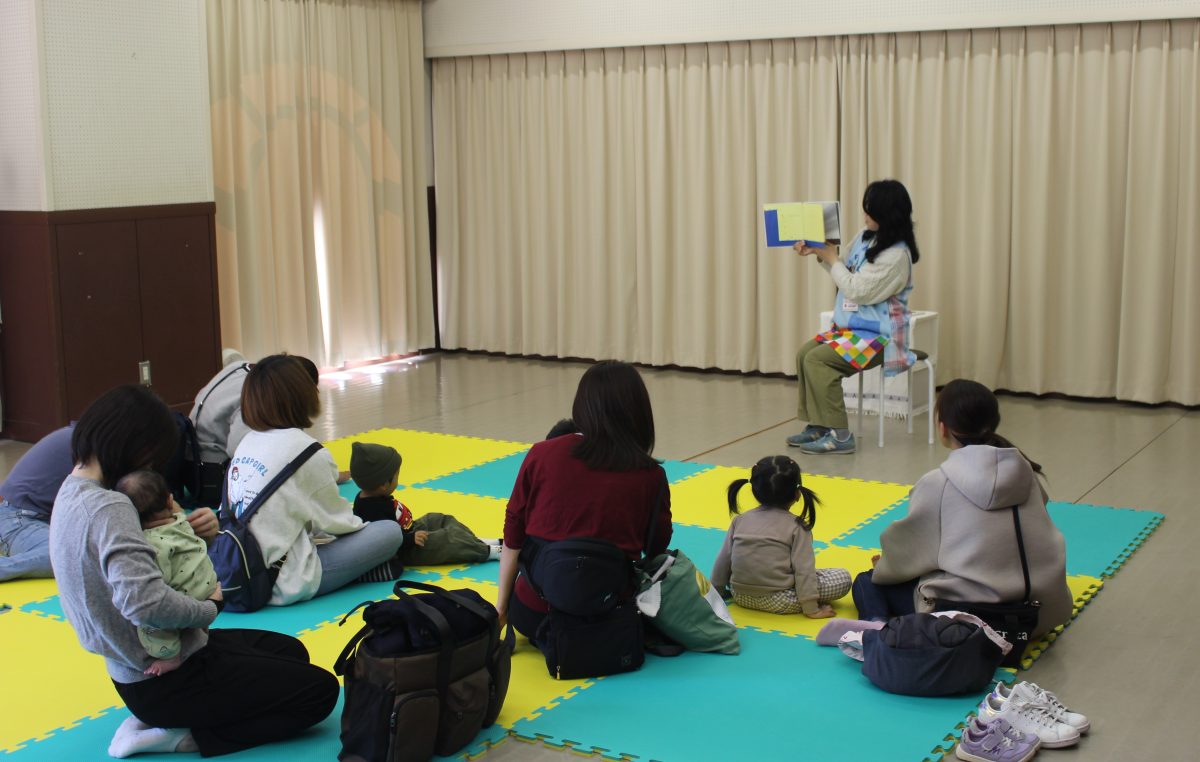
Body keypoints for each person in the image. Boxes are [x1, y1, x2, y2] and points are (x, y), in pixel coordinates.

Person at [48, 384, 338, 758]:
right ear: (133, 446)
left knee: (291, 651)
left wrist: (185, 528)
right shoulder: (111, 509)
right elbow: (144, 602)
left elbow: (145, 564)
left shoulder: (73, 492)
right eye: (151, 459)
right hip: (167, 677)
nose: (151, 470)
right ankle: (184, 737)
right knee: (319, 693)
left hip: (144, 667)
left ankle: (163, 719)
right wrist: (209, 609)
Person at [851, 379, 1072, 639]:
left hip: (976, 623)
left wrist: (886, 565)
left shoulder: (938, 483)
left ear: (943, 427)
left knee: (868, 581)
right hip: (1041, 613)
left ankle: (878, 634)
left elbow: (910, 547)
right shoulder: (1026, 472)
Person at [497, 361, 673, 639]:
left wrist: (502, 607)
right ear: (639, 412)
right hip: (609, 617)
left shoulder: (542, 454)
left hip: (533, 613)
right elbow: (656, 547)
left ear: (582, 405)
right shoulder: (651, 475)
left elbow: (513, 534)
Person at [227, 354, 404, 605]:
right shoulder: (307, 451)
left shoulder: (247, 442)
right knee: (390, 532)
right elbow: (341, 523)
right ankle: (360, 573)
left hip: (238, 571)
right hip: (283, 581)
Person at [787, 179, 921, 455]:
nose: (865, 215)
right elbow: (845, 269)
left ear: (887, 215)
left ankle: (840, 434)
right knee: (804, 354)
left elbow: (857, 291)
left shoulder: (897, 256)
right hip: (854, 331)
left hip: (882, 338)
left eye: (870, 211)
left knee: (818, 361)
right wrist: (820, 252)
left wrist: (831, 258)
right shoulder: (866, 236)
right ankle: (820, 425)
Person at [1, 424, 217, 582]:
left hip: (54, 519)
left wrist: (188, 524)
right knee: (71, 556)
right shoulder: (101, 456)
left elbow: (160, 506)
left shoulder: (108, 446)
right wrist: (183, 527)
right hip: (18, 519)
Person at [711, 455, 850, 618]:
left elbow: (724, 560)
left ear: (754, 490)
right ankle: (806, 601)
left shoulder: (740, 520)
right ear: (798, 494)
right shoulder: (797, 527)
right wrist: (812, 609)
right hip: (781, 600)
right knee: (843, 577)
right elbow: (803, 570)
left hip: (740, 595)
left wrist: (717, 592)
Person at [115, 470, 218, 677]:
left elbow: (155, 589)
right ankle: (201, 625)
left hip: (187, 596)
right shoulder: (182, 521)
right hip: (209, 583)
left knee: (149, 619)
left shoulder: (149, 544)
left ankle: (170, 656)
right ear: (170, 501)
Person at [349, 441, 501, 566]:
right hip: (406, 550)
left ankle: (476, 542)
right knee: (447, 540)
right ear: (383, 484)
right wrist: (409, 539)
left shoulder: (373, 494)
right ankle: (488, 551)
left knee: (439, 519)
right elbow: (384, 540)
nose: (398, 480)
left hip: (410, 531)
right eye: (396, 477)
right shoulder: (370, 509)